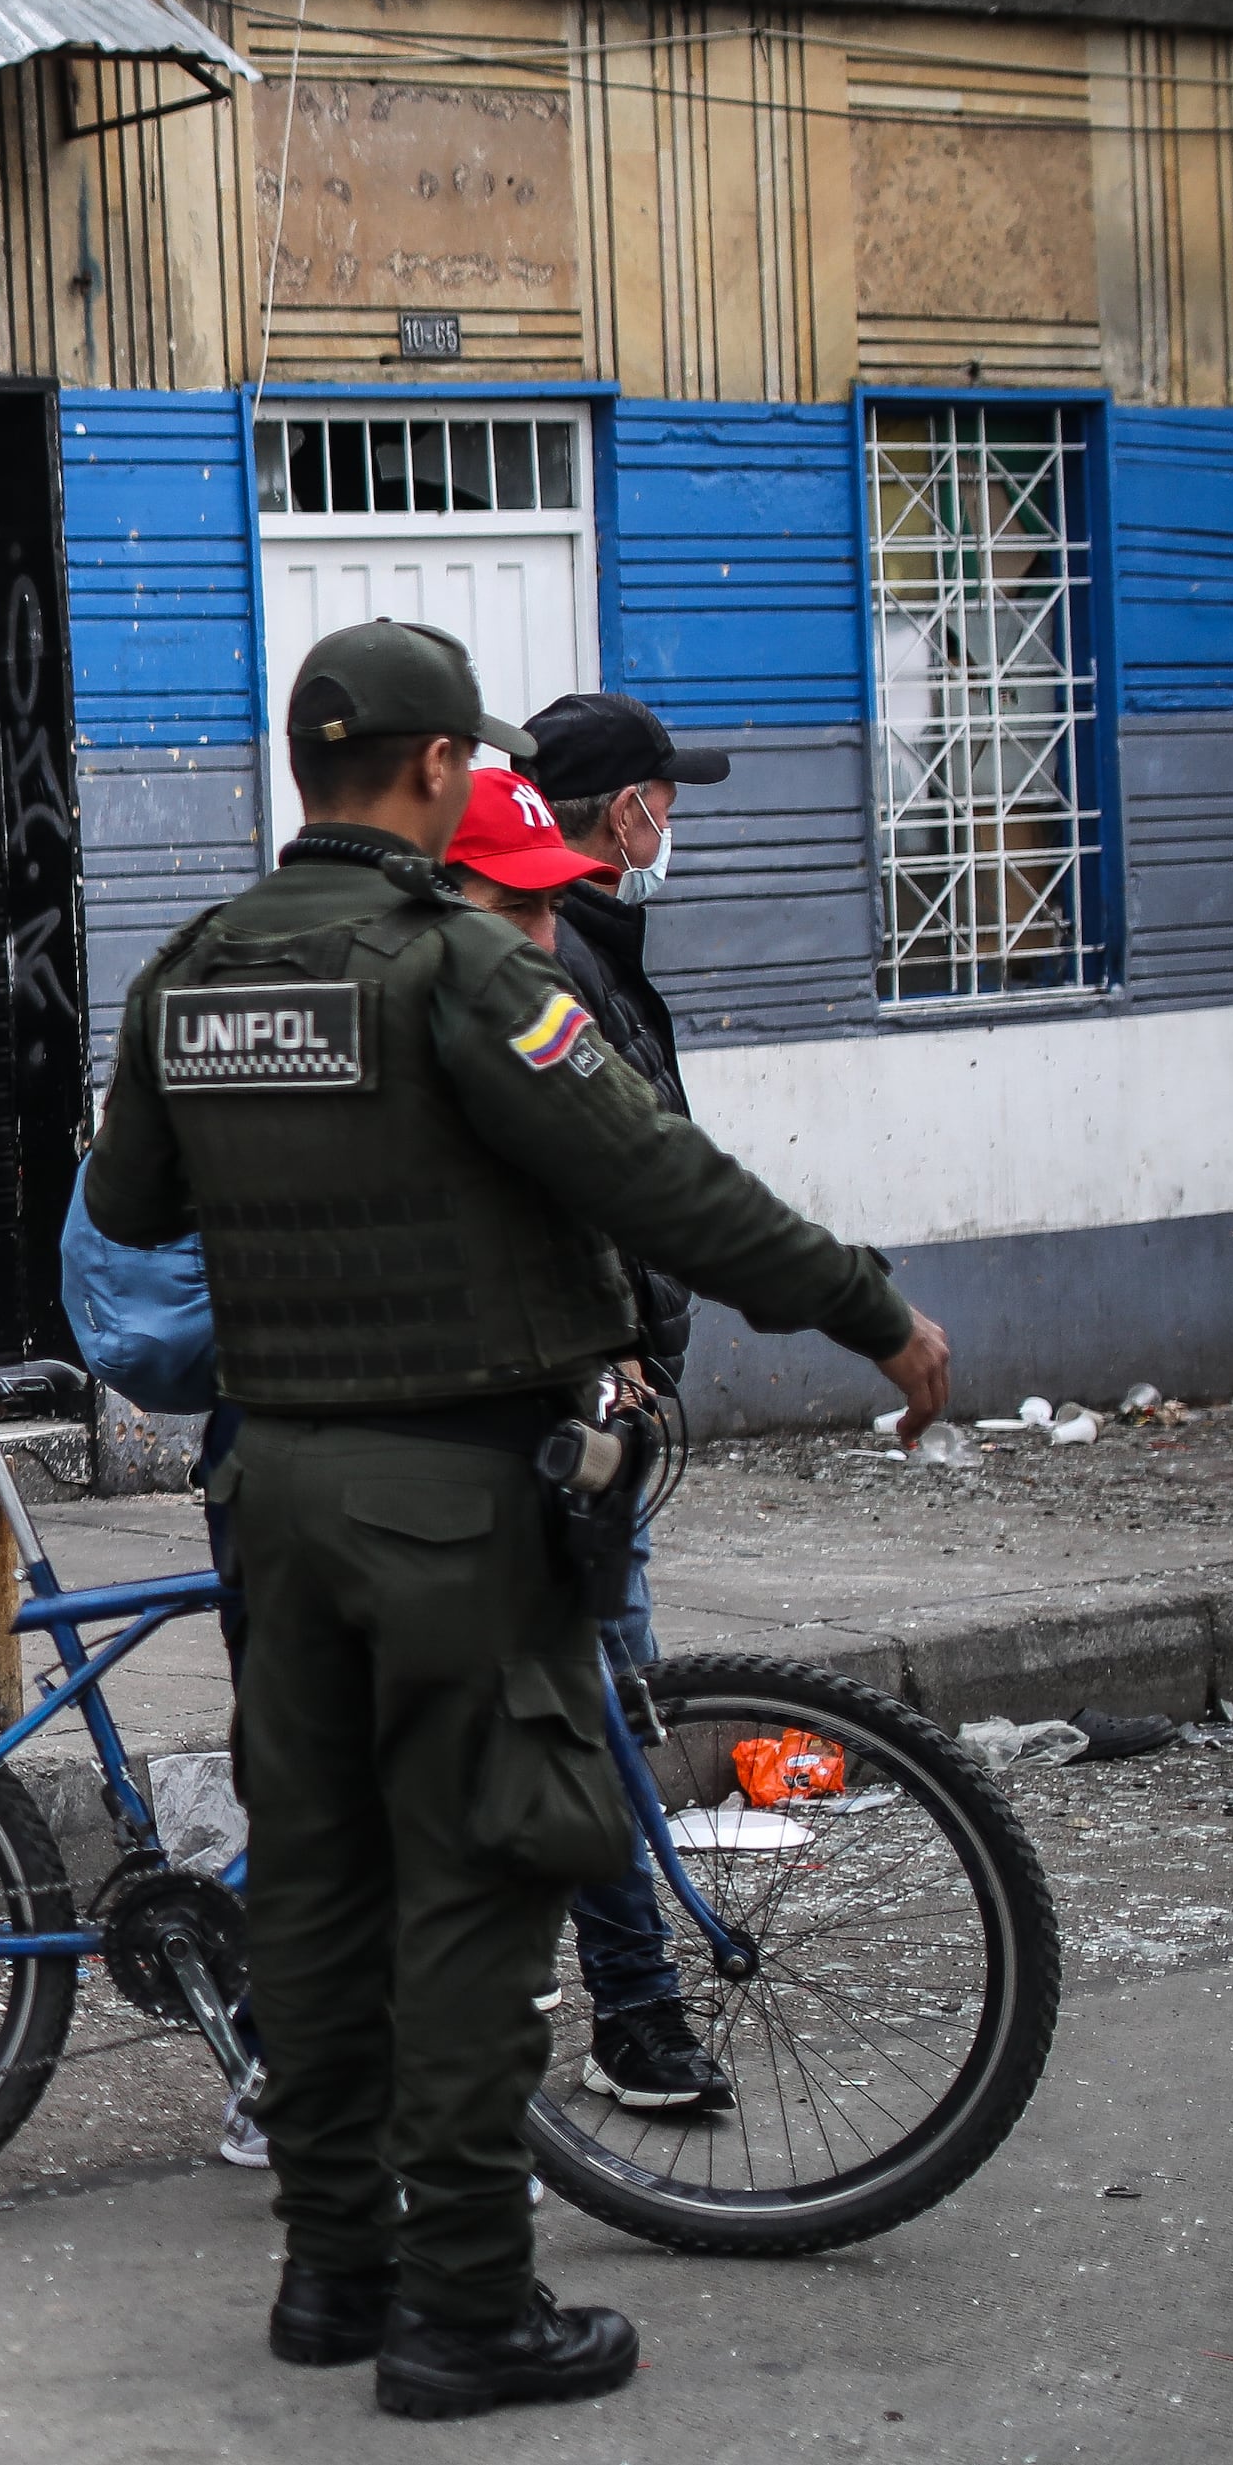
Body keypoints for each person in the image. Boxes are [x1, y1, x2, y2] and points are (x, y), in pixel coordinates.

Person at [87, 619, 949, 2422]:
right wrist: (872, 1309)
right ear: (423, 772)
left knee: (318, 1890)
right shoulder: (455, 966)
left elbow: (132, 1193)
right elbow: (667, 1181)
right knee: (483, 1877)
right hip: (460, 1501)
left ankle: (335, 2273)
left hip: (278, 1498)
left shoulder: (193, 968)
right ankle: (469, 2306)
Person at [435, 761, 735, 2118]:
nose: (552, 930)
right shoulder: (448, 1027)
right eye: (526, 905)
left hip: (560, 1427)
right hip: (437, 1458)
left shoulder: (541, 991)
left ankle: (622, 2005)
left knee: (589, 1718)